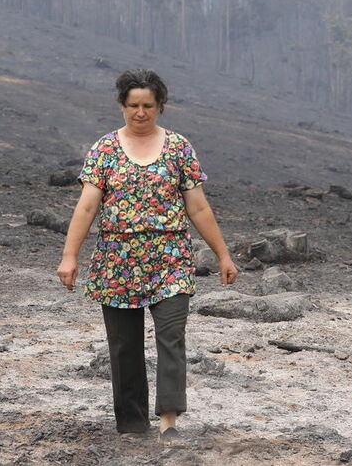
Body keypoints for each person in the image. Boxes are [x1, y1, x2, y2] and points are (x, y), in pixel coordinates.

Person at [56, 69, 238, 443]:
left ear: (160, 106)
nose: (141, 112)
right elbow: (87, 207)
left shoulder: (178, 148)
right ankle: (133, 424)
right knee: (124, 346)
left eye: (148, 106)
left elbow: (198, 208)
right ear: (122, 105)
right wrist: (69, 256)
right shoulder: (104, 150)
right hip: (116, 260)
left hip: (170, 257)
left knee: (172, 336)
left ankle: (169, 420)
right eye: (134, 105)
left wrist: (222, 254)